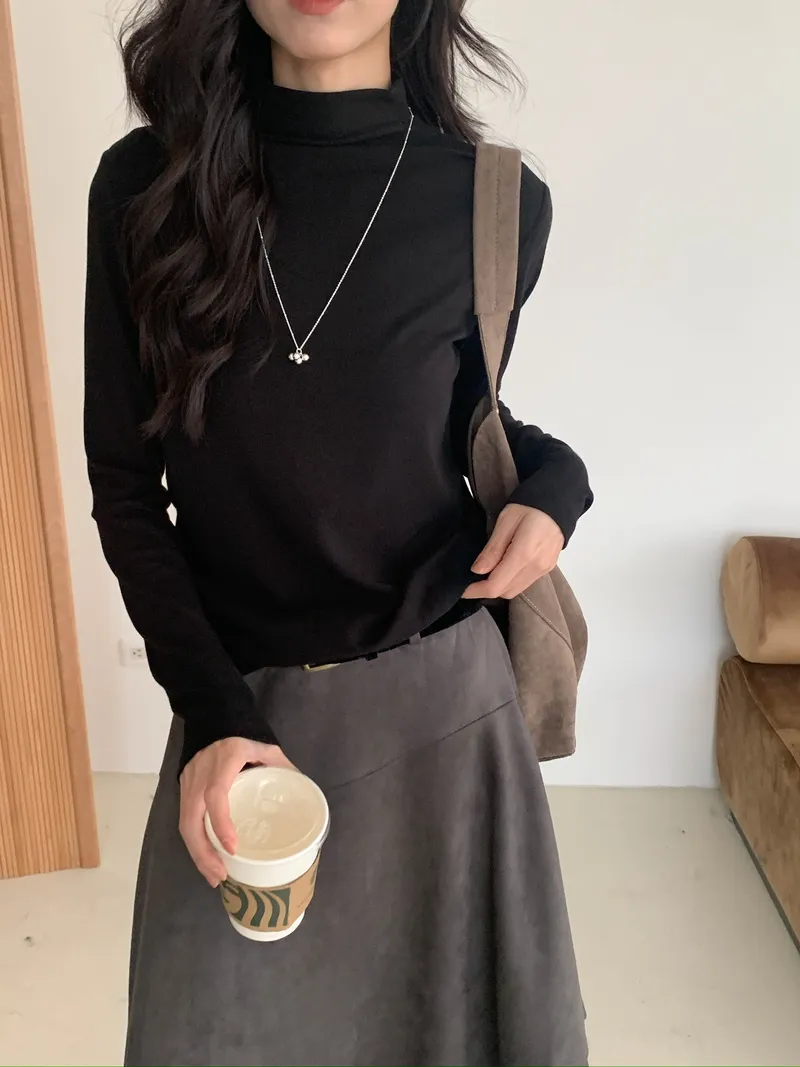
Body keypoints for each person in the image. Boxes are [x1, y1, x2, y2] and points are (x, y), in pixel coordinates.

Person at [84, 1, 593, 1063]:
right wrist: (213, 713)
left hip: (444, 720)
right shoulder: (144, 189)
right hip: (241, 724)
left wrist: (559, 483)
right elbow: (127, 488)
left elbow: (447, 422)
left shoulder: (495, 204)